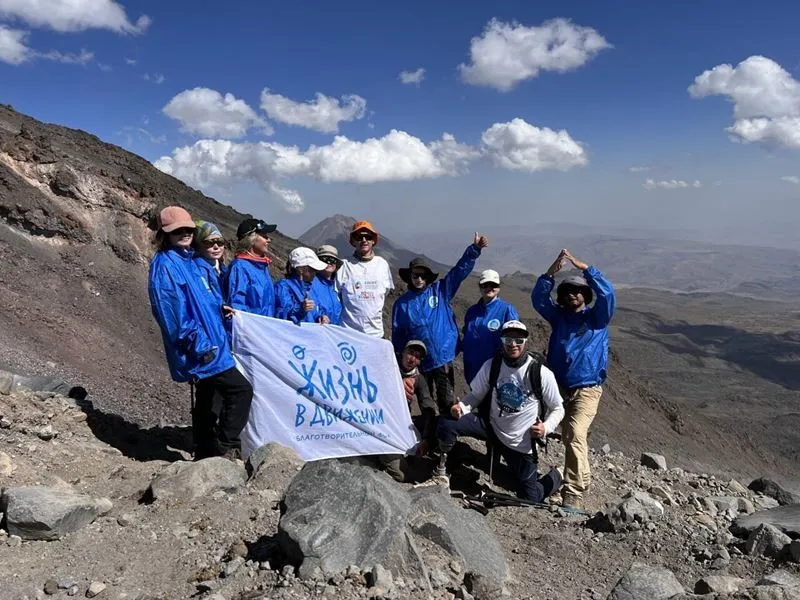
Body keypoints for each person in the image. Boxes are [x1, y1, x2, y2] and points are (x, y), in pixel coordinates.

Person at [148, 206, 253, 460]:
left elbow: (203, 299)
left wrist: (220, 308)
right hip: (202, 347)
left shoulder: (189, 261)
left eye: (188, 229)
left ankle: (205, 452)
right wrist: (200, 346)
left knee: (207, 399)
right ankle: (225, 446)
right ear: (164, 234)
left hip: (212, 342)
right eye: (177, 231)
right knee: (240, 390)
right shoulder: (165, 266)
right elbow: (173, 316)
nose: (184, 234)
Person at [435, 321, 564, 503]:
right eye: (508, 339)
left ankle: (557, 476)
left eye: (518, 340)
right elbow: (476, 395)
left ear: (525, 341)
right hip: (492, 428)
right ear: (502, 341)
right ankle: (445, 468)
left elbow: (558, 408)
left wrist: (545, 428)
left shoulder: (540, 373)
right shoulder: (492, 365)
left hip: (521, 442)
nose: (513, 344)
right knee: (446, 423)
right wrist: (462, 408)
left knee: (531, 497)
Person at [531, 249, 615, 510]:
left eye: (578, 291)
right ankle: (583, 478)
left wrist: (587, 269)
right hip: (560, 387)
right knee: (570, 436)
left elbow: (608, 294)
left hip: (587, 389)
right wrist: (550, 273)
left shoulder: (597, 318)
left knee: (575, 433)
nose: (572, 295)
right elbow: (538, 299)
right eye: (568, 291)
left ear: (586, 295)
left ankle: (574, 492)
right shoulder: (559, 317)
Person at [391, 233, 489, 415]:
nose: (419, 279)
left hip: (444, 356)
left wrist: (474, 250)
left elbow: (458, 272)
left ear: (428, 277)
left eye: (423, 275)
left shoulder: (440, 291)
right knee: (426, 402)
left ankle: (447, 429)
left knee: (447, 400)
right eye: (415, 275)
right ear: (410, 276)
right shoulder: (402, 304)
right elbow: (398, 337)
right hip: (420, 361)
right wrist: (401, 366)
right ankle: (429, 430)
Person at [374, 340, 437, 482]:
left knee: (401, 474)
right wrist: (396, 385)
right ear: (403, 352)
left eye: (417, 357)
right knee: (400, 473)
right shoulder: (387, 366)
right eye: (410, 353)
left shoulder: (419, 379)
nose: (412, 359)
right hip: (377, 419)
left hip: (397, 424)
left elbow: (428, 408)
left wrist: (426, 439)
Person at [336, 221, 394, 337]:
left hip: (375, 334)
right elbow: (336, 295)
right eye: (359, 237)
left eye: (368, 237)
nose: (364, 240)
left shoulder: (382, 264)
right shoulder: (344, 265)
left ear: (373, 240)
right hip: (349, 333)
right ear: (353, 241)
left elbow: (385, 292)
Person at [462, 269, 520, 385]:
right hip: (472, 369)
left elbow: (515, 339)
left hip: (495, 370)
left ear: (498, 287)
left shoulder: (507, 310)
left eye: (493, 285)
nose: (489, 288)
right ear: (480, 287)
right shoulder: (472, 311)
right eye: (485, 285)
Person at [225, 218, 277, 317]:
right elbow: (237, 305)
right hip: (251, 326)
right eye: (264, 236)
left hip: (263, 325)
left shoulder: (262, 267)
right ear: (251, 239)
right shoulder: (239, 267)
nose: (269, 240)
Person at [275, 247, 331, 324]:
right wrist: (301, 309)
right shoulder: (283, 286)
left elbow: (312, 313)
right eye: (313, 269)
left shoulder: (310, 288)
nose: (315, 272)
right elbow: (282, 315)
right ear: (301, 269)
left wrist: (320, 317)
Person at [192, 220, 228, 303]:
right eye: (209, 243)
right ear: (198, 245)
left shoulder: (223, 268)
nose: (216, 247)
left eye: (220, 242)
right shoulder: (197, 270)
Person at [314, 245, 343, 325]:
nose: (329, 262)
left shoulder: (339, 285)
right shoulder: (310, 284)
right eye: (324, 259)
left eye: (332, 260)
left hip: (337, 330)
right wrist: (318, 316)